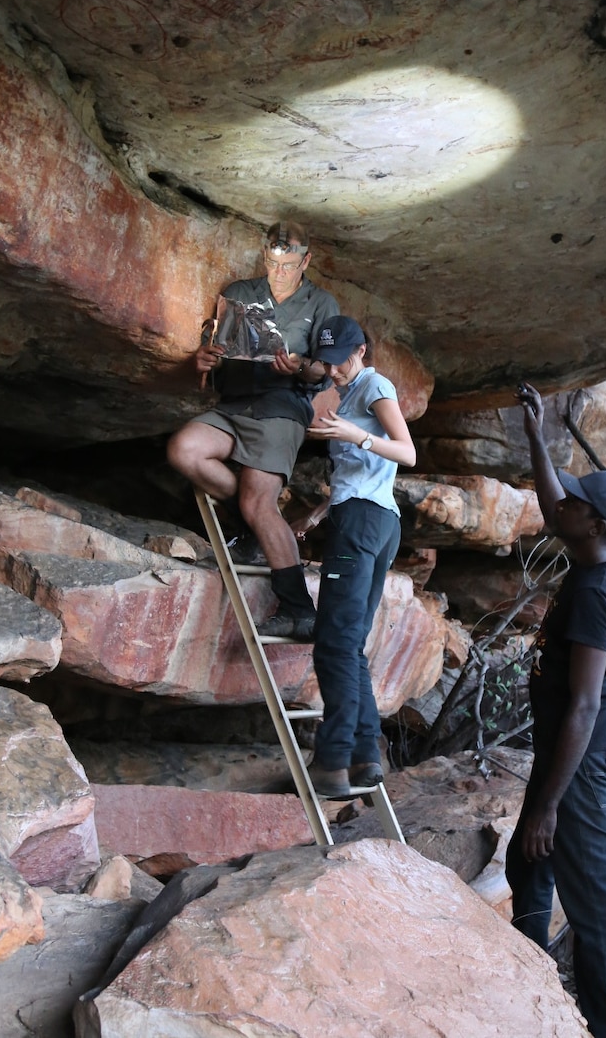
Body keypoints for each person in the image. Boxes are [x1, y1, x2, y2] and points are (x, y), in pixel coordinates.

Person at [505, 382, 606, 1038]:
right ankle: (525, 982)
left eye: (580, 501)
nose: (567, 501)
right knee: (527, 862)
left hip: (580, 757)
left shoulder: (594, 594)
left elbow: (584, 705)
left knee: (593, 902)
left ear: (598, 524)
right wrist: (537, 435)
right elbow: (554, 501)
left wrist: (551, 801)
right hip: (570, 746)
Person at [167, 221, 339, 639]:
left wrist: (299, 365)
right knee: (184, 449)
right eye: (274, 261)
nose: (280, 270)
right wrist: (205, 360)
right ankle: (253, 523)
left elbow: (326, 369)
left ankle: (300, 609)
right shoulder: (241, 292)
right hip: (234, 404)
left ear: (306, 260)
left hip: (282, 407)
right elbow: (221, 351)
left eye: (290, 263)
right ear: (266, 255)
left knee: (259, 503)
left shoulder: (321, 303)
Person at [289, 315, 416, 799]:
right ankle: (366, 757)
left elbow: (406, 453)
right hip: (375, 520)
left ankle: (332, 760)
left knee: (334, 643)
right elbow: (366, 473)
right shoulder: (349, 392)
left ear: (360, 350)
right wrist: (319, 514)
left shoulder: (374, 383)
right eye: (327, 361)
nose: (333, 369)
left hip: (364, 523)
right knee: (351, 644)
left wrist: (351, 433)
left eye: (341, 359)